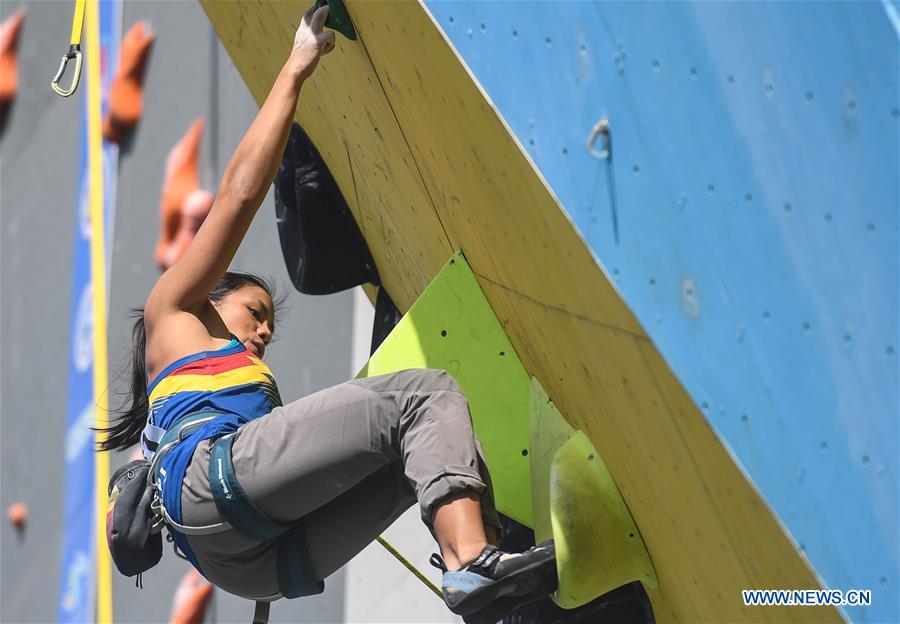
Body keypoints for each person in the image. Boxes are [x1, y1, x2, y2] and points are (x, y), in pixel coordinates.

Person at [99, 6, 556, 621]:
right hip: (215, 491)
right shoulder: (175, 311)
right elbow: (237, 195)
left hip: (248, 562)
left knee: (417, 458)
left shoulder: (190, 408)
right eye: (254, 311)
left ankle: (493, 590)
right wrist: (296, 66)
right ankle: (470, 563)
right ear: (211, 295)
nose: (263, 330)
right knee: (425, 397)